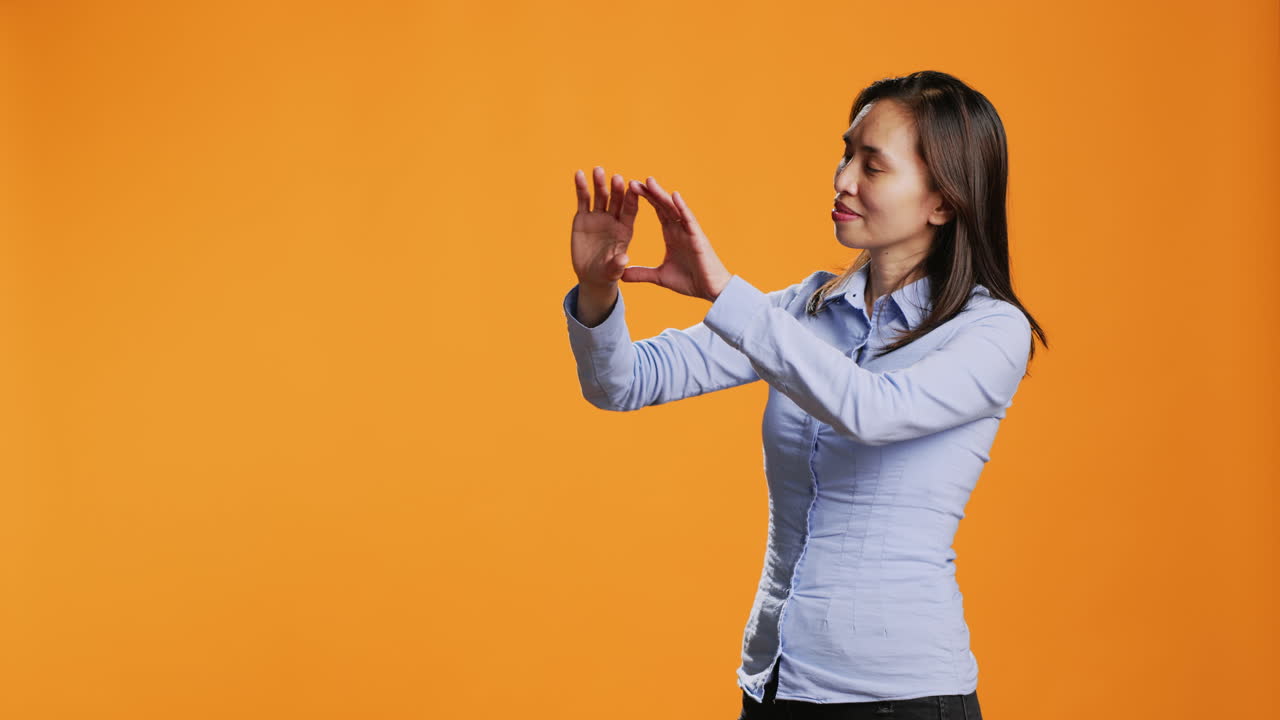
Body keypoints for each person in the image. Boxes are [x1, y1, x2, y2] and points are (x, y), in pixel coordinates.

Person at [561, 70, 1047, 720]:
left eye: (872, 166)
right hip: (773, 687)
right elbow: (622, 383)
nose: (842, 179)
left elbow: (873, 411)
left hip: (899, 699)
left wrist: (725, 294)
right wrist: (599, 288)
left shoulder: (990, 332)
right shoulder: (805, 311)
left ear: (943, 201)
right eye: (846, 152)